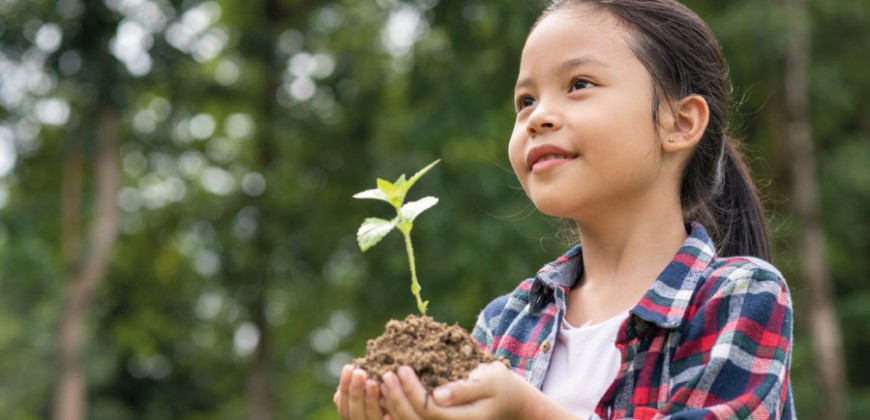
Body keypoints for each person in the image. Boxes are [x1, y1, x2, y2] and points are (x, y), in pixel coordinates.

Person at [334, 0, 794, 418]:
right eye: (526, 100)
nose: (537, 116)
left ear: (679, 122)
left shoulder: (739, 295)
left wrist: (526, 413)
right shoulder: (506, 322)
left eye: (579, 84)